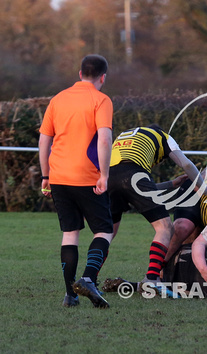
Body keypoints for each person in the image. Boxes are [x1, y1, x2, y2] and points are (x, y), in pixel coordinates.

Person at [39, 54, 114, 308]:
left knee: (70, 233)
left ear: (80, 73)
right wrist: (104, 175)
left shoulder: (57, 99)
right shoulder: (101, 100)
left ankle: (70, 295)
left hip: (58, 175)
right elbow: (104, 140)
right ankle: (88, 279)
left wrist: (46, 175)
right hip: (88, 176)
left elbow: (44, 141)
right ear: (102, 77)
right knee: (104, 230)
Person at [108, 124, 207, 291]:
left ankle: (88, 278)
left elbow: (134, 185)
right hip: (135, 174)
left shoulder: (125, 135)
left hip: (109, 177)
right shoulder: (164, 137)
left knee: (106, 234)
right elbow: (186, 165)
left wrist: (171, 184)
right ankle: (152, 279)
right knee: (164, 227)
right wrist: (206, 191)